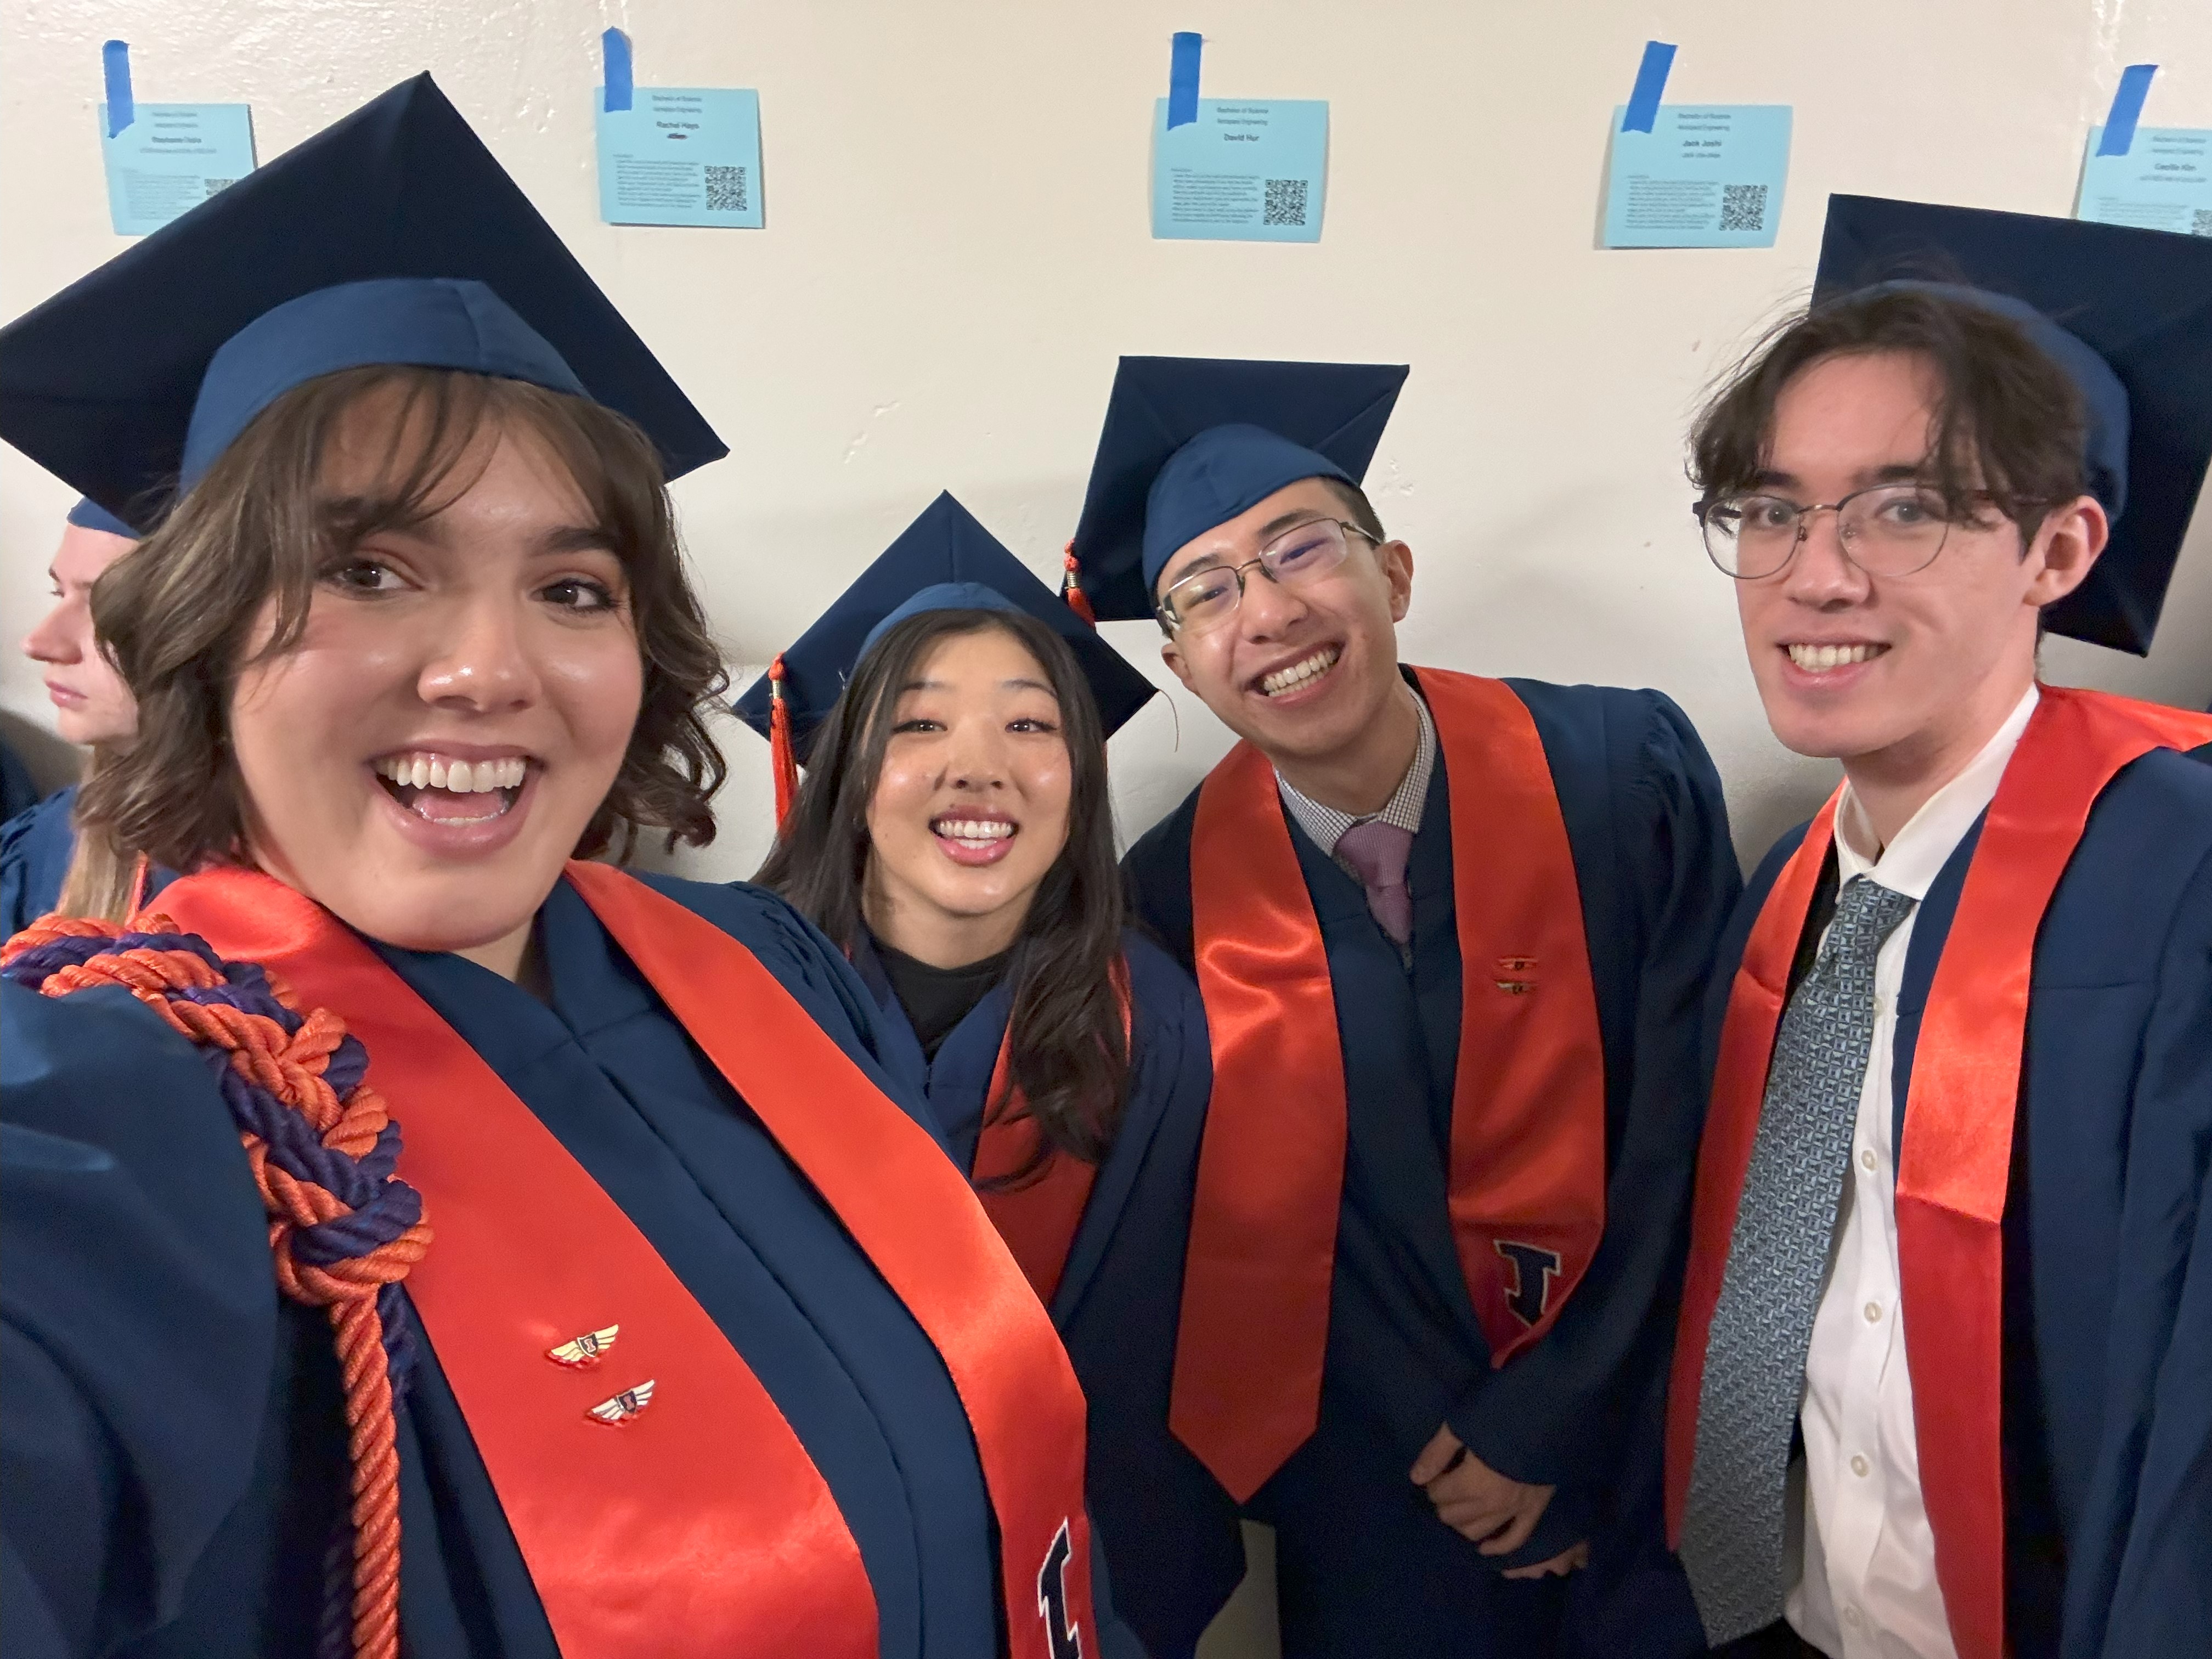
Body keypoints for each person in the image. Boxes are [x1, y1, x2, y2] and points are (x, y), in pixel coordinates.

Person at [0, 74, 1128, 1659]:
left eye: (574, 587)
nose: (486, 668)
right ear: (199, 630)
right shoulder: (135, 1104)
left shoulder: (774, 972)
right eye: (370, 569)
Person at [1074, 355, 1742, 1657]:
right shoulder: (1166, 897)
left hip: (1630, 1441)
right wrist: (1454, 1462)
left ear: (1393, 576)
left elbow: (1700, 1125)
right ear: (1182, 665)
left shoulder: (1621, 778)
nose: (1262, 610)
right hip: (1378, 1487)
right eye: (1204, 593)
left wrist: (1553, 1425)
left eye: (1298, 551)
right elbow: (1244, 1229)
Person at [1663, 196, 2212, 1659]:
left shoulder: (2181, 886)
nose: (1817, 576)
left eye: (1903, 506)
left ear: (2060, 548)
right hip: (1789, 1614)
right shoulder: (1793, 886)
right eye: (1774, 509)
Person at [743, 490, 1236, 1657]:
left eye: (1029, 727)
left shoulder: (1148, 1019)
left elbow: (1135, 1373)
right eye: (919, 727)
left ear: (1081, 772)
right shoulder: (718, 993)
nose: (980, 769)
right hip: (774, 1574)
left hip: (1050, 1574)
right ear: (847, 767)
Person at [1, 496, 148, 932]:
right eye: (58, 593)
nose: (40, 643)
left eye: (108, 607)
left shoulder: (320, 907)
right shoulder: (57, 840)